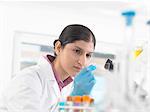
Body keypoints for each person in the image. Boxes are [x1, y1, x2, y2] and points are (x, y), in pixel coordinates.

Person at [0, 24, 96, 112]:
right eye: (77, 51)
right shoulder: (28, 79)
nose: (82, 62)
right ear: (58, 47)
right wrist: (74, 101)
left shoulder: (70, 86)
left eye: (88, 55)